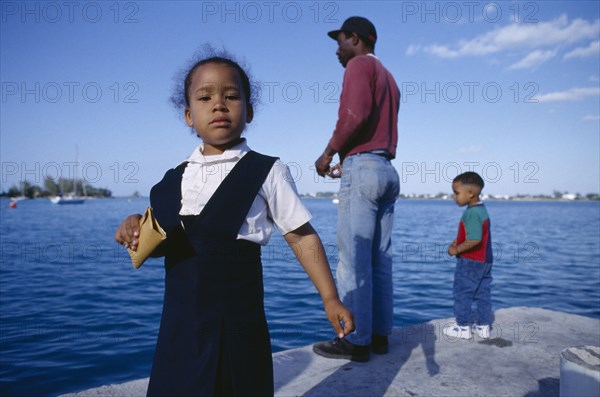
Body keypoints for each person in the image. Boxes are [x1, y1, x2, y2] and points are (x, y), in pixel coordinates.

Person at [114, 49, 354, 396]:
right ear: (188, 115)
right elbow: (159, 241)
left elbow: (301, 237)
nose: (219, 105)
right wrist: (133, 223)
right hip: (179, 325)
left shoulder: (267, 170)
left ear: (249, 111)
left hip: (237, 320)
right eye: (205, 97)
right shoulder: (172, 179)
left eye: (231, 96)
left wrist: (330, 297)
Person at [313, 16, 400, 362]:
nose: (337, 49)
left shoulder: (358, 66)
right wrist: (348, 163)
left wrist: (328, 152)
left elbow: (355, 114)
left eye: (340, 41)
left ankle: (354, 339)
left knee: (352, 260)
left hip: (363, 167)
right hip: (385, 169)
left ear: (356, 39)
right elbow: (374, 127)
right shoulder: (389, 77)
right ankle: (379, 336)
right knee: (380, 261)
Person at [444, 172, 493, 340]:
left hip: (470, 261)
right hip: (484, 261)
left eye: (456, 193)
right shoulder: (481, 209)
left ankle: (463, 327)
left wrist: (456, 250)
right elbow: (472, 233)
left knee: (462, 293)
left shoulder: (471, 213)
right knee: (482, 293)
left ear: (470, 193)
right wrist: (456, 242)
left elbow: (474, 239)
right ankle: (484, 326)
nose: (454, 197)